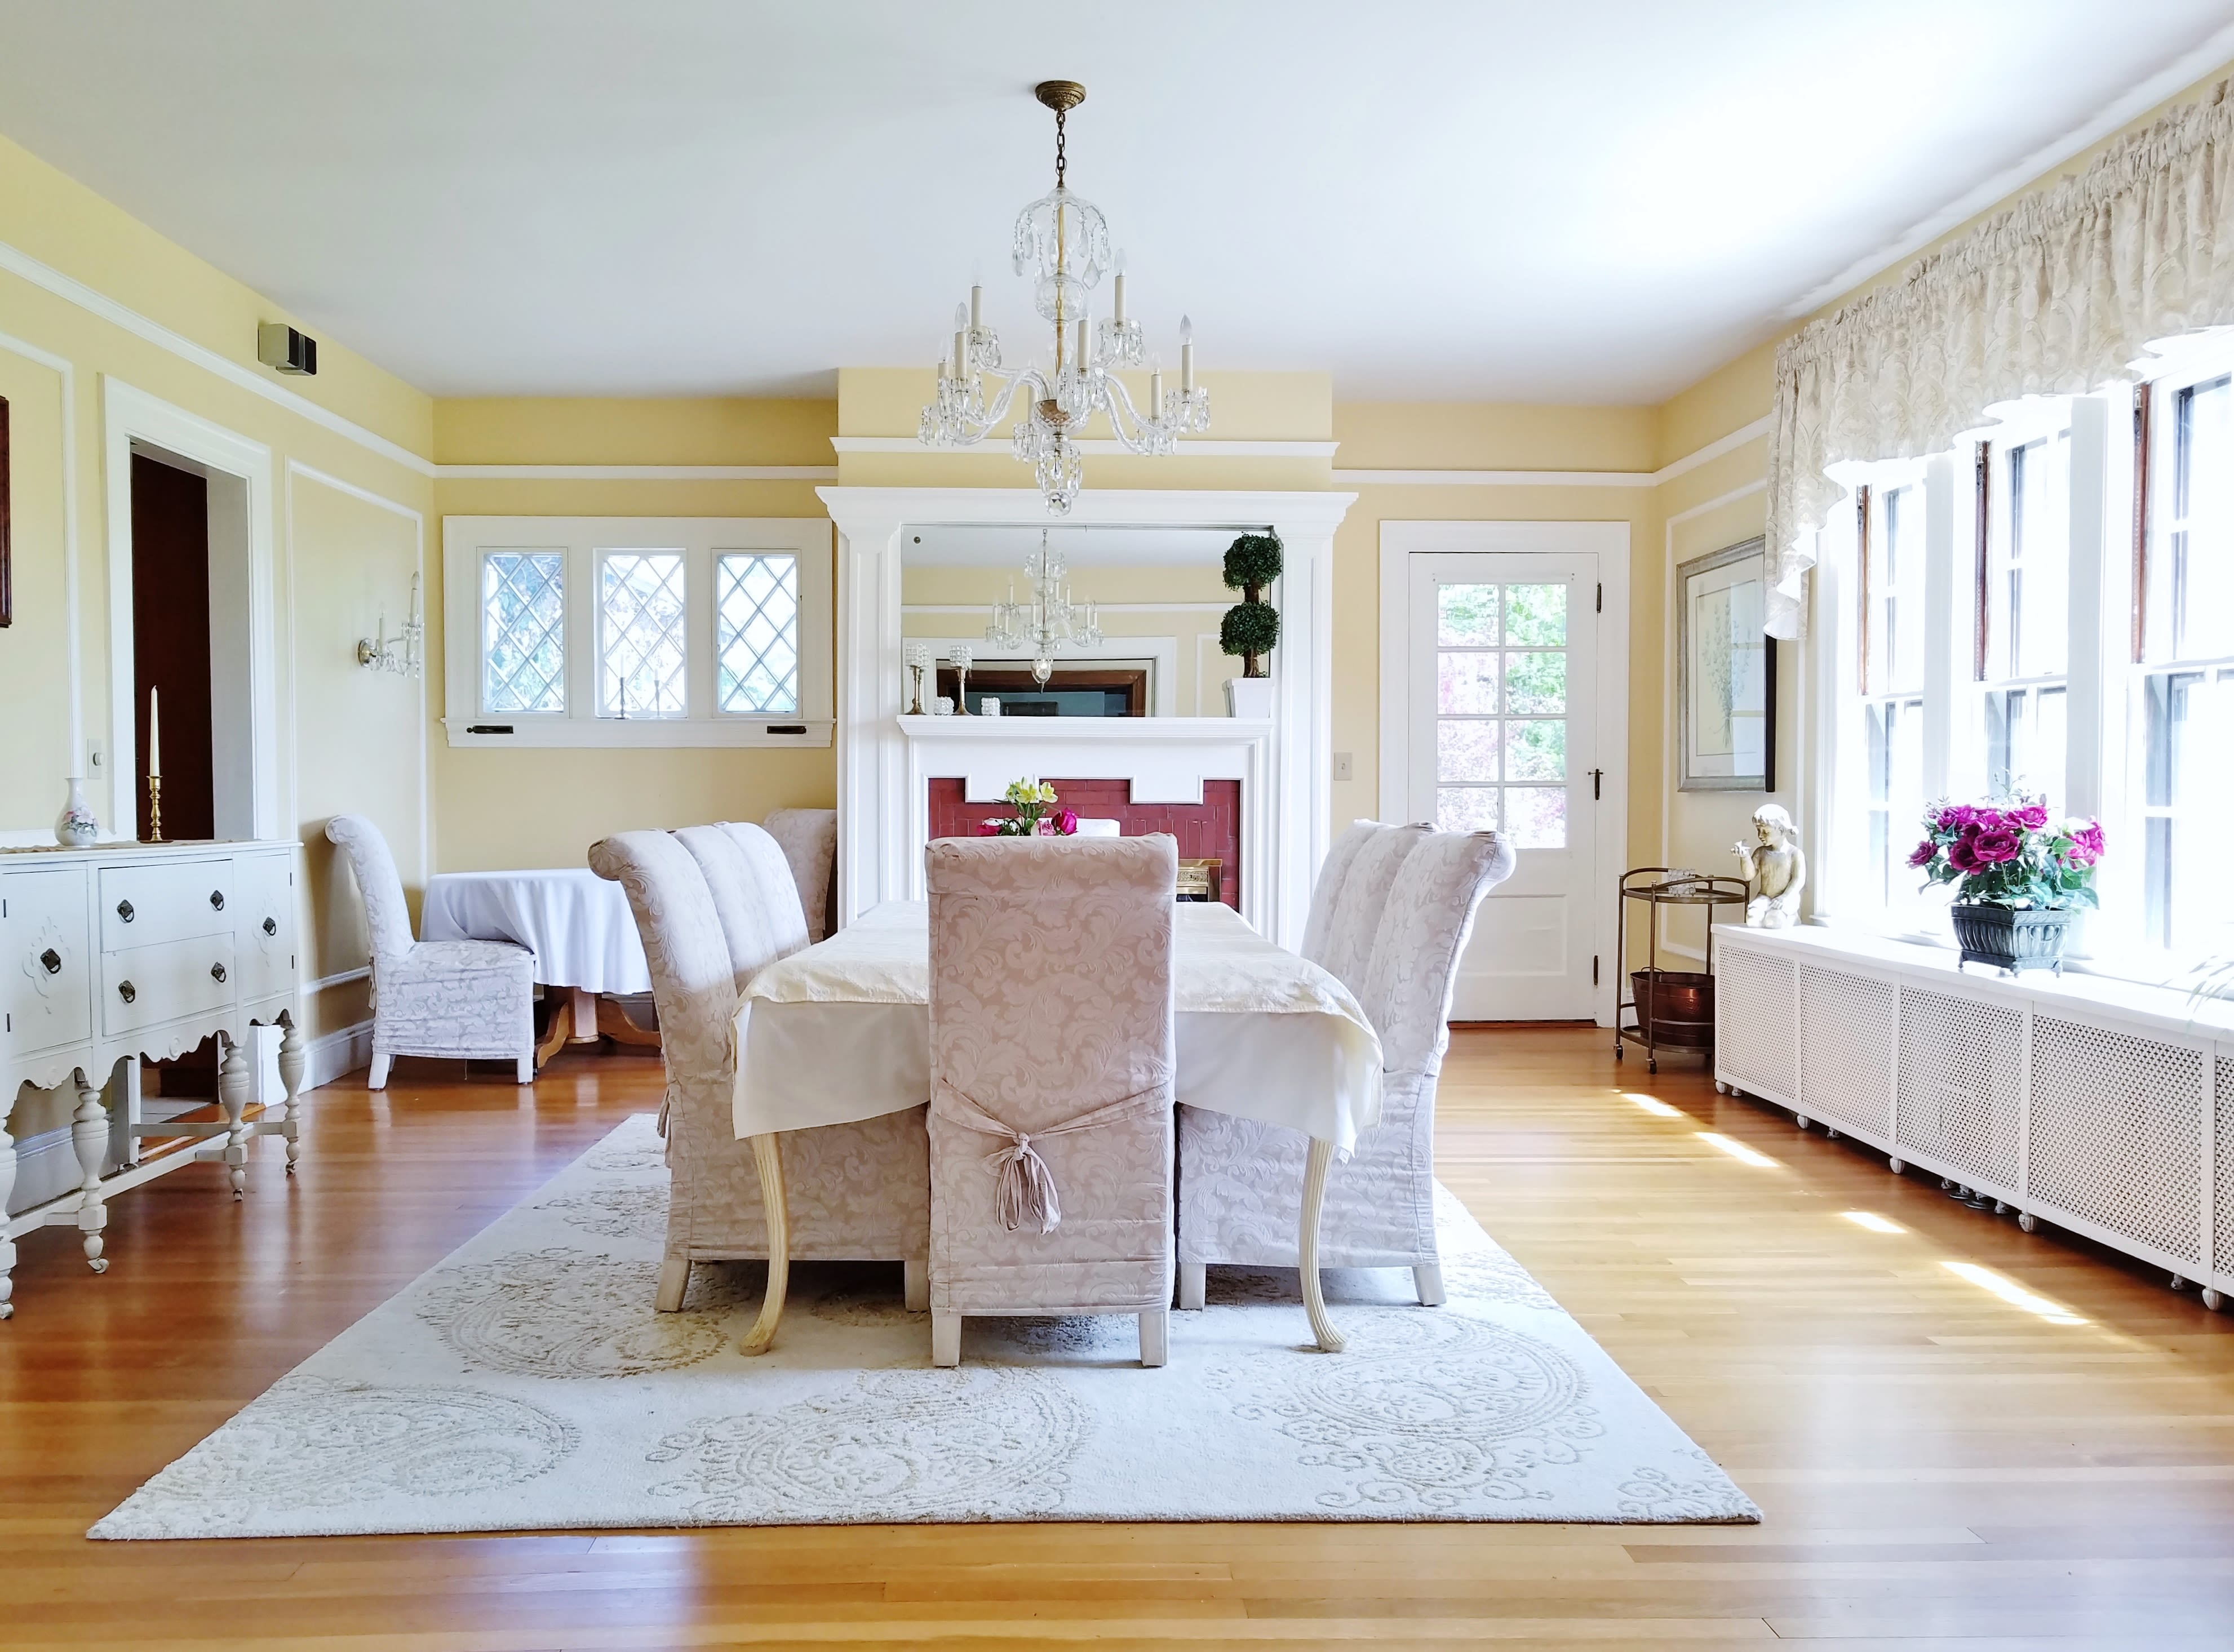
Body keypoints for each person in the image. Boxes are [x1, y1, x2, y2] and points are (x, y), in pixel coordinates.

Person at [1733, 803, 1805, 928]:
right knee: (1752, 920)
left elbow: (1799, 880)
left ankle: (1792, 918)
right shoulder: (1761, 852)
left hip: (1786, 897)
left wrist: (1785, 897)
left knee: (1774, 921)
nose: (1760, 835)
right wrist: (1744, 857)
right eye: (1758, 831)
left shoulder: (1794, 854)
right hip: (1764, 897)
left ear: (1781, 830)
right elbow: (1749, 876)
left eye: (1766, 832)